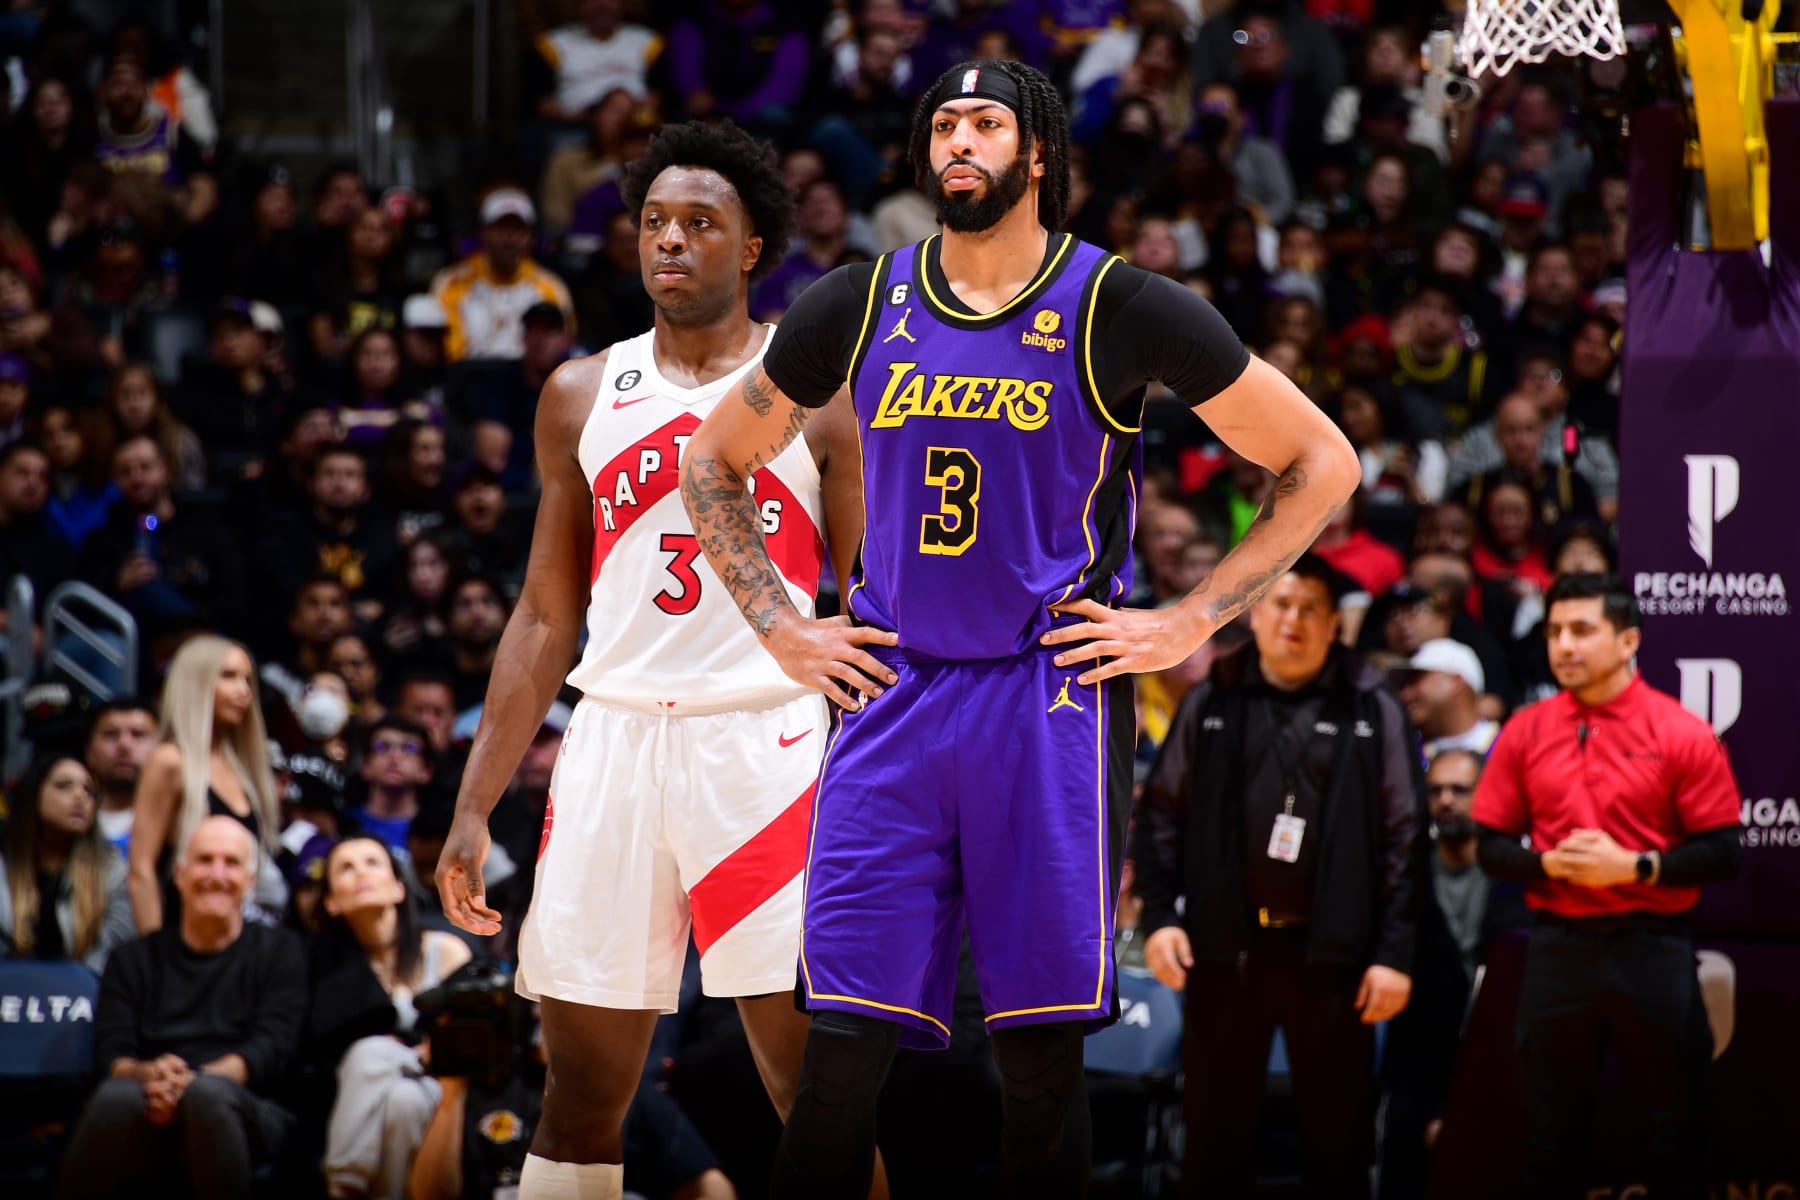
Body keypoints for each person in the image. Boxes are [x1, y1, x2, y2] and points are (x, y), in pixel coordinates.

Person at [678, 58, 1360, 1195]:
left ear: (1036, 152)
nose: (959, 139)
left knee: (1039, 1054)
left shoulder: (1118, 304)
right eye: (943, 123)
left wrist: (1187, 621)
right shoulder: (858, 298)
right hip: (889, 697)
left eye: (986, 123)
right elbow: (714, 463)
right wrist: (782, 628)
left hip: (1044, 702)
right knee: (842, 1048)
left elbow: (1320, 459)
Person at [435, 119, 870, 1200]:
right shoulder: (580, 394)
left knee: (811, 1087)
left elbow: (871, 607)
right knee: (578, 1095)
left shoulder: (817, 393)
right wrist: (474, 800)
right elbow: (543, 620)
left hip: (766, 744)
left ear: (754, 247)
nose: (669, 241)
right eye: (654, 223)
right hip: (614, 740)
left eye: (699, 224)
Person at [1134, 557, 1424, 1198]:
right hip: (1224, 955)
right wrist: (1159, 919)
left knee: (1338, 1145)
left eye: (1309, 608)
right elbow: (1160, 818)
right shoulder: (1214, 696)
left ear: (1332, 626)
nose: (1292, 620)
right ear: (1256, 614)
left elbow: (1407, 834)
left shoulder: (1371, 703)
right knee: (1212, 1143)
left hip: (1335, 961)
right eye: (1280, 605)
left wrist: (1394, 954)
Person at [1473, 573, 1743, 1197]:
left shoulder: (1679, 730)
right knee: (1547, 1136)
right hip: (1557, 948)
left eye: (1582, 631)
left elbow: (1724, 852)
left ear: (1628, 641)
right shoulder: (1526, 729)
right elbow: (1487, 846)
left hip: (1653, 948)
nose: (1564, 645)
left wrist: (1637, 867)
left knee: (1674, 1133)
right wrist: (1546, 866)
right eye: (1554, 632)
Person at [56, 816, 306, 1200]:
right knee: (115, 1095)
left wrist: (190, 1084)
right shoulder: (132, 959)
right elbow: (111, 1052)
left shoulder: (281, 952)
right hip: (145, 1101)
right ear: (179, 873)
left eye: (232, 862)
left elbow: (271, 1048)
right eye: (204, 860)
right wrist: (150, 1075)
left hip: (249, 1107)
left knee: (206, 1096)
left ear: (251, 881)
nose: (216, 874)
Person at [310, 836, 472, 1199]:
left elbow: (468, 1032)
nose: (361, 873)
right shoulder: (322, 968)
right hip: (361, 1099)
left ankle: (342, 1185)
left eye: (372, 862)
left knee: (372, 1053)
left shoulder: (444, 951)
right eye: (346, 868)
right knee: (403, 1101)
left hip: (443, 1081)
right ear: (332, 902)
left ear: (399, 887)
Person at [126, 635, 284, 932]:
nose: (244, 691)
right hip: (183, 942)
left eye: (248, 680)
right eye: (228, 676)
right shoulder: (171, 761)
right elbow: (140, 870)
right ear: (195, 683)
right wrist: (154, 960)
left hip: (241, 941)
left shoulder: (242, 764)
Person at [0, 754, 134, 972]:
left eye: (89, 790)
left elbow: (112, 958)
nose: (81, 797)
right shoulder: (3, 865)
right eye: (64, 786)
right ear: (33, 794)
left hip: (84, 998)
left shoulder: (114, 873)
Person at [1391, 638, 1500, 758]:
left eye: (1416, 680)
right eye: (1404, 686)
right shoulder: (1402, 753)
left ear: (1457, 681)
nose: (1405, 695)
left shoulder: (1510, 747)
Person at [86, 698, 160, 853]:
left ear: (162, 748)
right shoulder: (71, 823)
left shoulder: (175, 826)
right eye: (111, 734)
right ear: (90, 751)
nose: (124, 745)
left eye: (138, 734)